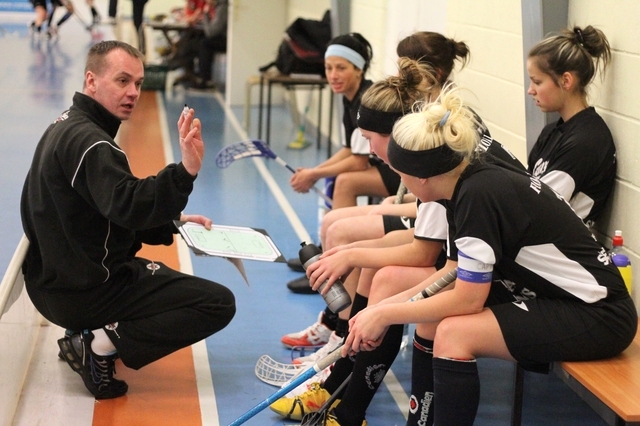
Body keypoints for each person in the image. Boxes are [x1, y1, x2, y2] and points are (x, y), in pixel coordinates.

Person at [343, 88, 637, 426]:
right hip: (551, 296)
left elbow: (468, 299)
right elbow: (451, 277)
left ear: (421, 175)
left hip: (598, 313)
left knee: (456, 333)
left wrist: (386, 315)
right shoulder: (462, 184)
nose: (401, 182)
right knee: (434, 317)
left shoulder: (477, 196)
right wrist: (379, 310)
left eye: (401, 173)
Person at [271, 69, 524, 426]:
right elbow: (432, 244)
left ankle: (348, 407)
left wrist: (377, 301)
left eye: (368, 139)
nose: (369, 150)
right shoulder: (434, 153)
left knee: (389, 280)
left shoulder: (441, 169)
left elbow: (427, 254)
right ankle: (339, 388)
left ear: (392, 136)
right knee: (375, 265)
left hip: (512, 275)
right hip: (489, 259)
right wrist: (355, 256)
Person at [20, 40, 236, 399]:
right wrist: (185, 170)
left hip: (52, 284)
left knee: (158, 276)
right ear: (92, 81)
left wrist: (174, 222)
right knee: (217, 303)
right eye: (122, 81)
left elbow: (106, 207)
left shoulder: (67, 125)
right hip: (84, 291)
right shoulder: (93, 144)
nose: (133, 92)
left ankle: (85, 333)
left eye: (137, 83)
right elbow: (130, 205)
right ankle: (98, 344)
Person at [282, 32, 475, 348]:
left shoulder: (442, 124)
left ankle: (341, 330)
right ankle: (335, 320)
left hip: (447, 239)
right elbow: (430, 197)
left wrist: (317, 176)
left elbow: (432, 215)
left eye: (407, 67)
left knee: (346, 227)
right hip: (431, 216)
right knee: (340, 225)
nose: (401, 75)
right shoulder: (424, 112)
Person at [283, 32, 374, 295]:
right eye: (328, 68)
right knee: (335, 176)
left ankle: (333, 270)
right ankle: (329, 254)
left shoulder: (366, 100)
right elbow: (349, 150)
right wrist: (316, 171)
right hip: (375, 166)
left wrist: (315, 174)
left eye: (341, 68)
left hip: (397, 174)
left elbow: (359, 162)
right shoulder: (349, 97)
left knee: (345, 181)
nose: (333, 75)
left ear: (359, 70)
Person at [526, 25, 615, 229]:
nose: (530, 90)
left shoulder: (587, 141)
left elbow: (538, 210)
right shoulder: (552, 131)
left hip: (558, 245)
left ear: (566, 81)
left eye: (537, 82)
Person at [191, 0, 228, 90]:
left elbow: (210, 32)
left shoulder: (223, 8)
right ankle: (193, 74)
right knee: (194, 41)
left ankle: (205, 80)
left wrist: (205, 14)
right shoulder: (217, 7)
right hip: (220, 36)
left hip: (226, 40)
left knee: (205, 44)